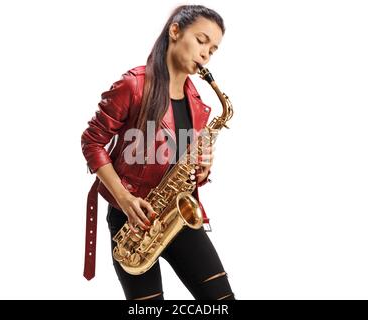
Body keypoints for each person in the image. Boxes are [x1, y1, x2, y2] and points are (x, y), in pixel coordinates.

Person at [81, 4, 235, 300]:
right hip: (133, 221)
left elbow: (181, 166)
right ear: (175, 31)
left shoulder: (197, 102)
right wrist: (125, 200)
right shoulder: (133, 85)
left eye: (213, 50)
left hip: (176, 215)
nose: (206, 54)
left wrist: (202, 168)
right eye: (202, 41)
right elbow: (92, 141)